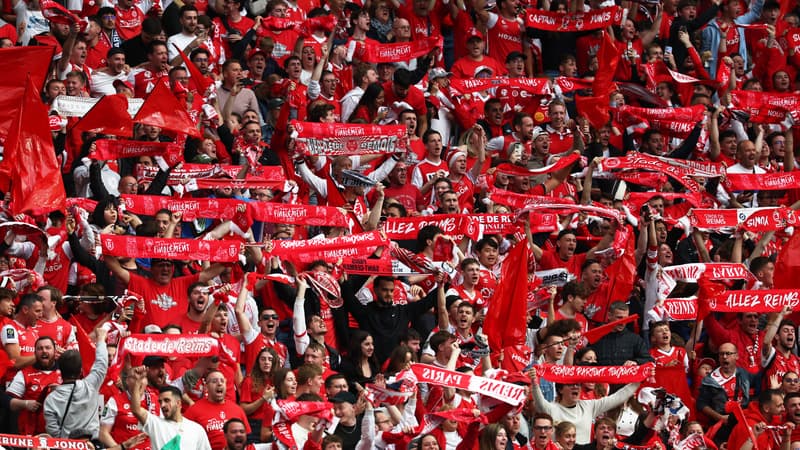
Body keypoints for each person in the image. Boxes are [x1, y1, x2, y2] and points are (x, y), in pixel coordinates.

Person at [43, 328, 109, 439]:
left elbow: (53, 432)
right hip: (91, 445)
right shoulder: (90, 386)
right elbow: (101, 364)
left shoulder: (51, 399)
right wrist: (101, 340)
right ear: (80, 371)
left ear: (60, 371)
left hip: (66, 447)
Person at [129, 370, 212, 450]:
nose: (162, 405)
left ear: (179, 403)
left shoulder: (196, 429)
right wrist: (137, 382)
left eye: (167, 400)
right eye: (160, 402)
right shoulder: (155, 424)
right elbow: (136, 410)